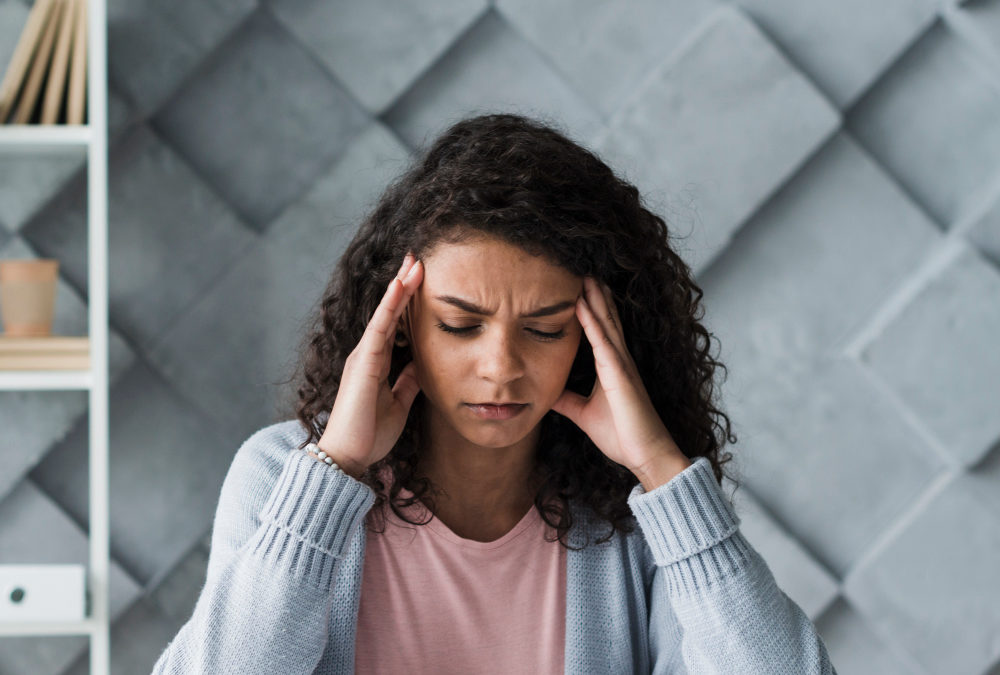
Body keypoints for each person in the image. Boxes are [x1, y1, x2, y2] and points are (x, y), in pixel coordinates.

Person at [152, 113, 837, 674]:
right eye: (459, 325)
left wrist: (661, 469)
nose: (500, 367)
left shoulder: (634, 513)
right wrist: (335, 470)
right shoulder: (280, 478)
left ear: (597, 338)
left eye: (544, 329)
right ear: (399, 322)